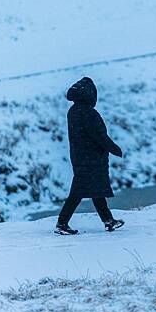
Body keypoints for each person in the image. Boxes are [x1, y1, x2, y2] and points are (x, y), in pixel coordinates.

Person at [55, 77, 125, 235]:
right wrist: (114, 148)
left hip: (81, 158)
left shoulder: (73, 111)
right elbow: (98, 135)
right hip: (91, 159)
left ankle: (108, 221)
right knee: (79, 192)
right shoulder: (88, 113)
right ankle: (62, 223)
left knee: (95, 190)